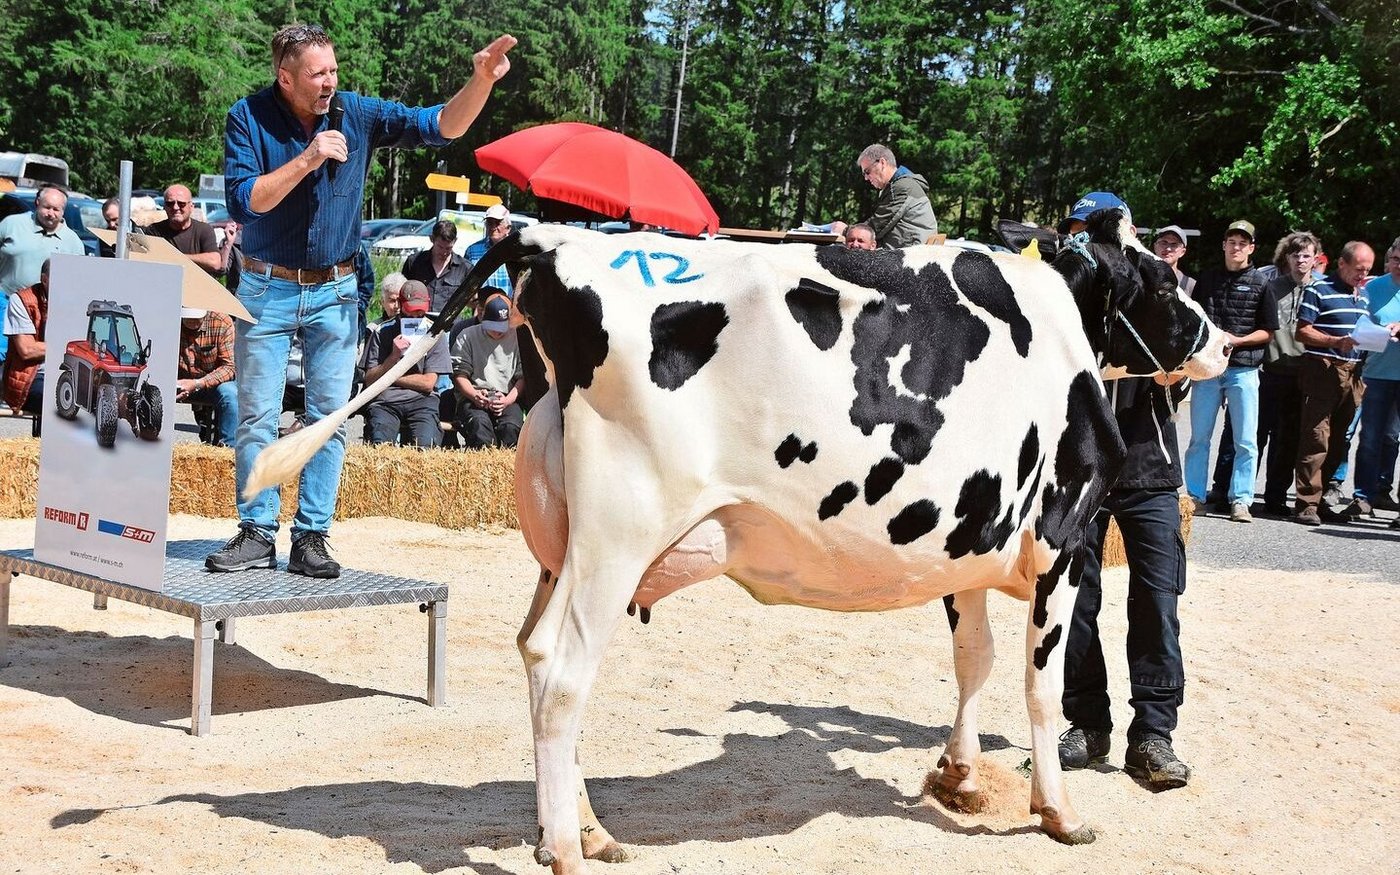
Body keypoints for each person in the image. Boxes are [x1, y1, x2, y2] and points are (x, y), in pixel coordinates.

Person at [206, 22, 516, 577]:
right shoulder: (246, 117)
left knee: (329, 416)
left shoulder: (357, 111)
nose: (330, 83)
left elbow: (440, 126)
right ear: (285, 77)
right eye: (317, 74)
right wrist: (308, 157)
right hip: (264, 285)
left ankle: (311, 538)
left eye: (333, 70)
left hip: (335, 291)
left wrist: (481, 82)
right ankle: (255, 532)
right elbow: (247, 202)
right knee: (257, 417)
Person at [1059, 198, 1191, 791]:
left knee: (1157, 605)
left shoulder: (1163, 287)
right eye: (1083, 233)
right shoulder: (1063, 298)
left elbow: (1187, 365)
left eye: (1102, 233)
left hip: (1151, 472)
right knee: (1074, 607)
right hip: (1082, 473)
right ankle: (1087, 723)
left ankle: (1153, 736)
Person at [1184, 220, 1275, 523]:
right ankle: (1195, 496)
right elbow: (1194, 320)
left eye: (1243, 243)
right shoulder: (1207, 279)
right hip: (1209, 369)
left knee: (1246, 441)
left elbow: (1267, 331)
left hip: (1245, 369)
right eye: (1232, 241)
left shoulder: (1262, 283)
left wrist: (1238, 340)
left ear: (1251, 248)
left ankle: (1241, 501)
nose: (1236, 247)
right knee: (1199, 438)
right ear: (1223, 245)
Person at [1293, 241, 1375, 526]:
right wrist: (1334, 342)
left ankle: (1323, 501)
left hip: (1354, 373)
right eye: (1358, 269)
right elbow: (1301, 332)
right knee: (1316, 437)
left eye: (1367, 270)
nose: (1362, 275)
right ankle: (1306, 504)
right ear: (1342, 264)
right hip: (1323, 369)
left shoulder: (1363, 296)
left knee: (1339, 441)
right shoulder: (1318, 290)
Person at [1244, 231, 1323, 516]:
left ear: (1316, 258)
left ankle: (1276, 496)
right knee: (1256, 435)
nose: (1300, 260)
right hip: (1270, 370)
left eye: (1306, 255)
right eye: (1295, 255)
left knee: (1287, 439)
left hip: (1303, 375)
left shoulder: (1321, 290)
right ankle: (1243, 495)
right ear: (1286, 258)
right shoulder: (1271, 287)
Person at [360, 281, 449, 447]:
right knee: (380, 446)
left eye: (420, 313)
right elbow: (370, 380)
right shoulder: (381, 331)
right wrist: (393, 356)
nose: (415, 318)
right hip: (386, 402)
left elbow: (428, 383)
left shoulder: (435, 334)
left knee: (425, 447)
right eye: (410, 313)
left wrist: (390, 376)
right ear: (401, 305)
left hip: (423, 401)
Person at [0, 185, 83, 362]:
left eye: (56, 209)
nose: (50, 213)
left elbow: (77, 282)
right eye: (47, 207)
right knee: (1, 354)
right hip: (5, 299)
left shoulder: (73, 242)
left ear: (63, 211)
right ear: (37, 203)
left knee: (29, 358)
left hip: (43, 310)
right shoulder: (11, 224)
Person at [1349, 236, 1400, 523]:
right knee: (1369, 438)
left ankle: (1386, 491)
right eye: (1395, 259)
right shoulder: (1375, 287)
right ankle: (1363, 497)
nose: (1398, 265)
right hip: (1376, 373)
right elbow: (1360, 321)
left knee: (1392, 439)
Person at [450, 293, 524, 448]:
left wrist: (507, 401)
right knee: (479, 426)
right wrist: (474, 395)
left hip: (506, 395)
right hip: (474, 395)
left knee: (510, 427)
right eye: (494, 327)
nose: (498, 332)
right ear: (483, 318)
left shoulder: (517, 337)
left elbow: (522, 377)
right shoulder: (467, 336)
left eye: (502, 327)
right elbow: (459, 375)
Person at [830, 144, 938, 249]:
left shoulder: (902, 187)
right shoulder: (900, 185)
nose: (866, 178)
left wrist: (846, 230)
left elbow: (877, 225)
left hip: (907, 258)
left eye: (867, 172)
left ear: (882, 163)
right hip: (909, 253)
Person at [176, 307, 239, 447]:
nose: (192, 321)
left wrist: (197, 383)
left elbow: (229, 368)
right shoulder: (170, 320)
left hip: (214, 382)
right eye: (188, 318)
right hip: (179, 381)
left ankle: (228, 451)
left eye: (196, 318)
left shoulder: (222, 321)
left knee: (230, 394)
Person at [146, 183, 234, 278]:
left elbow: (215, 262)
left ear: (191, 206)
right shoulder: (154, 231)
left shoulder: (204, 230)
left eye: (181, 203)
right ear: (164, 207)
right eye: (170, 203)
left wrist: (176, 257)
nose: (175, 207)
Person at [2, 258, 49, 420]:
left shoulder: (78, 301)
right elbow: (27, 350)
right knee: (57, 400)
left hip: (68, 373)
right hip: (33, 376)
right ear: (45, 279)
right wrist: (66, 345)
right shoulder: (22, 300)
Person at [404, 220, 469, 313]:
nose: (444, 252)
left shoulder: (464, 268)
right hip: (419, 320)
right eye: (440, 247)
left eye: (448, 248)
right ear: (432, 239)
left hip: (451, 325)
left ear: (455, 241)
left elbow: (472, 301)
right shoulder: (414, 262)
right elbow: (403, 293)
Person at [465, 204, 515, 298]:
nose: (493, 227)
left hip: (510, 308)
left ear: (508, 228)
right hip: (482, 309)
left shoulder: (516, 251)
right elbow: (465, 283)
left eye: (497, 223)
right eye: (489, 223)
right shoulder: (472, 251)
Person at [1151, 225, 1195, 294]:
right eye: (1164, 243)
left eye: (1174, 245)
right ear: (1155, 246)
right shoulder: (1141, 278)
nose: (1168, 249)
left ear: (1182, 252)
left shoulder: (1190, 285)